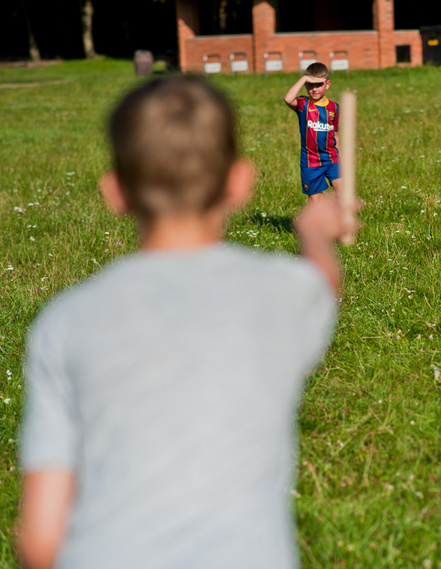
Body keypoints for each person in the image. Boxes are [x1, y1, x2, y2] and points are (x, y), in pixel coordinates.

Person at [16, 76, 358, 569]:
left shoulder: (62, 322)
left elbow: (40, 539)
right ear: (240, 183)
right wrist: (315, 237)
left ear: (114, 192)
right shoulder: (284, 293)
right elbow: (325, 285)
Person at [284, 62, 341, 203]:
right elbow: (288, 99)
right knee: (316, 201)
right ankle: (318, 224)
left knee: (344, 193)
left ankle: (343, 222)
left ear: (327, 84)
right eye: (310, 85)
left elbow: (335, 134)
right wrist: (304, 78)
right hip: (311, 162)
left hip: (332, 159)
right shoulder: (303, 104)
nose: (314, 89)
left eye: (319, 85)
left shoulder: (334, 107)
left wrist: (341, 158)